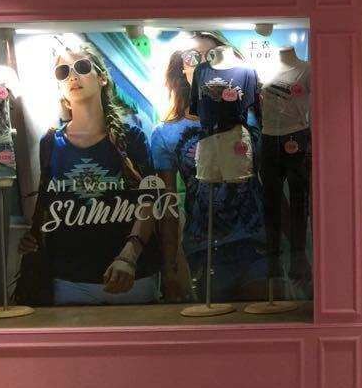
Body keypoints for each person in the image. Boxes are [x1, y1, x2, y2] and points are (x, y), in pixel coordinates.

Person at [17, 43, 161, 305]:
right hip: (71, 279)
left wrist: (130, 254)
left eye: (82, 67)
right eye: (63, 71)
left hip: (131, 276)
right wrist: (34, 237)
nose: (72, 76)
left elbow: (149, 200)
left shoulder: (131, 137)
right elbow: (48, 201)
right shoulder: (50, 142)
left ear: (102, 77)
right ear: (59, 86)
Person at [150, 33, 271, 302]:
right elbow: (167, 208)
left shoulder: (253, 115)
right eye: (192, 58)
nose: (203, 64)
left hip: (256, 242)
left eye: (212, 56)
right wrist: (169, 268)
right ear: (182, 69)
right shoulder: (166, 134)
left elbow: (273, 182)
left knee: (261, 319)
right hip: (204, 249)